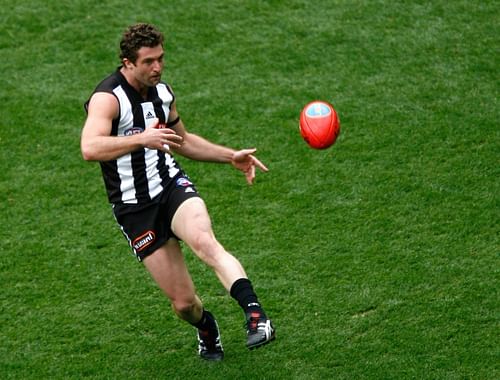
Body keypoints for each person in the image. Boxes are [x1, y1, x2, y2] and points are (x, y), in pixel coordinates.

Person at [81, 23, 275, 361]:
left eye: (160, 59)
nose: (157, 68)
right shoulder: (107, 99)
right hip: (134, 208)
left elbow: (181, 141)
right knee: (184, 304)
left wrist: (231, 156)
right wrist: (142, 138)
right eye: (148, 62)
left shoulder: (163, 93)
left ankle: (256, 315)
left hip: (171, 188)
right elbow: (89, 147)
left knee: (206, 243)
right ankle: (206, 326)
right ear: (127, 63)